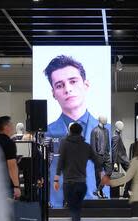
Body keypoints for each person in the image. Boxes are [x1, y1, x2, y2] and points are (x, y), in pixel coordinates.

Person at [43, 55, 110, 207]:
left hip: (95, 205)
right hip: (58, 206)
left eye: (73, 81)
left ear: (86, 84)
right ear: (53, 92)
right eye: (59, 85)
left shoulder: (107, 130)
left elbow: (102, 165)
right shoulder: (46, 133)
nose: (68, 89)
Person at [53, 122, 104, 221]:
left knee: (73, 210)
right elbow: (97, 161)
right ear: (81, 132)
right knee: (76, 209)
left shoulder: (64, 144)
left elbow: (60, 162)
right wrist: (102, 174)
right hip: (81, 184)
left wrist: (56, 178)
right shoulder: (86, 146)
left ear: (70, 131)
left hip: (69, 183)